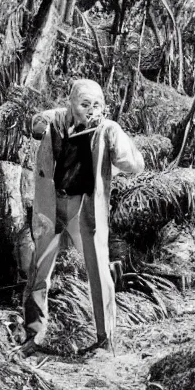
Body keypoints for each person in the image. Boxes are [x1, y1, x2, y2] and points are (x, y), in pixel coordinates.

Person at [19, 79, 144, 357]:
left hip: (85, 208)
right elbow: (34, 125)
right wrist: (48, 118)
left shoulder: (107, 129)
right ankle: (33, 334)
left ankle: (106, 340)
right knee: (39, 270)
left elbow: (135, 164)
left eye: (96, 104)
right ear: (71, 102)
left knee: (99, 271)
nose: (89, 109)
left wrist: (115, 140)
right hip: (50, 205)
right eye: (84, 103)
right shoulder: (56, 122)